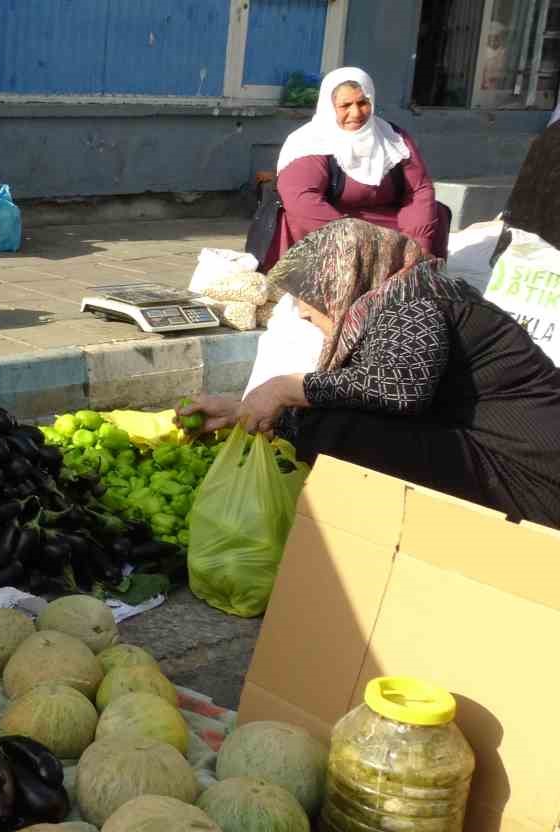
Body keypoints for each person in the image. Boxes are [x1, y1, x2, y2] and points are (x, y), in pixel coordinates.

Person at [185, 219, 560, 528]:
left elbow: (396, 387)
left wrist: (286, 388)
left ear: (345, 279)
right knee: (332, 415)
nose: (301, 311)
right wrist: (246, 411)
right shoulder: (408, 294)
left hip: (534, 481)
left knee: (338, 429)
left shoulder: (412, 305)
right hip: (507, 463)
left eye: (310, 294)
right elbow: (380, 389)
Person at [260, 67, 448, 271]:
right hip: (333, 231)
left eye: (363, 103)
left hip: (386, 226)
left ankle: (415, 271)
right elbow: (303, 200)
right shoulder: (309, 143)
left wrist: (415, 248)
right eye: (345, 105)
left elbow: (419, 191)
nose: (356, 113)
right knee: (293, 218)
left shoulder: (393, 139)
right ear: (329, 107)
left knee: (435, 211)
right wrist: (359, 243)